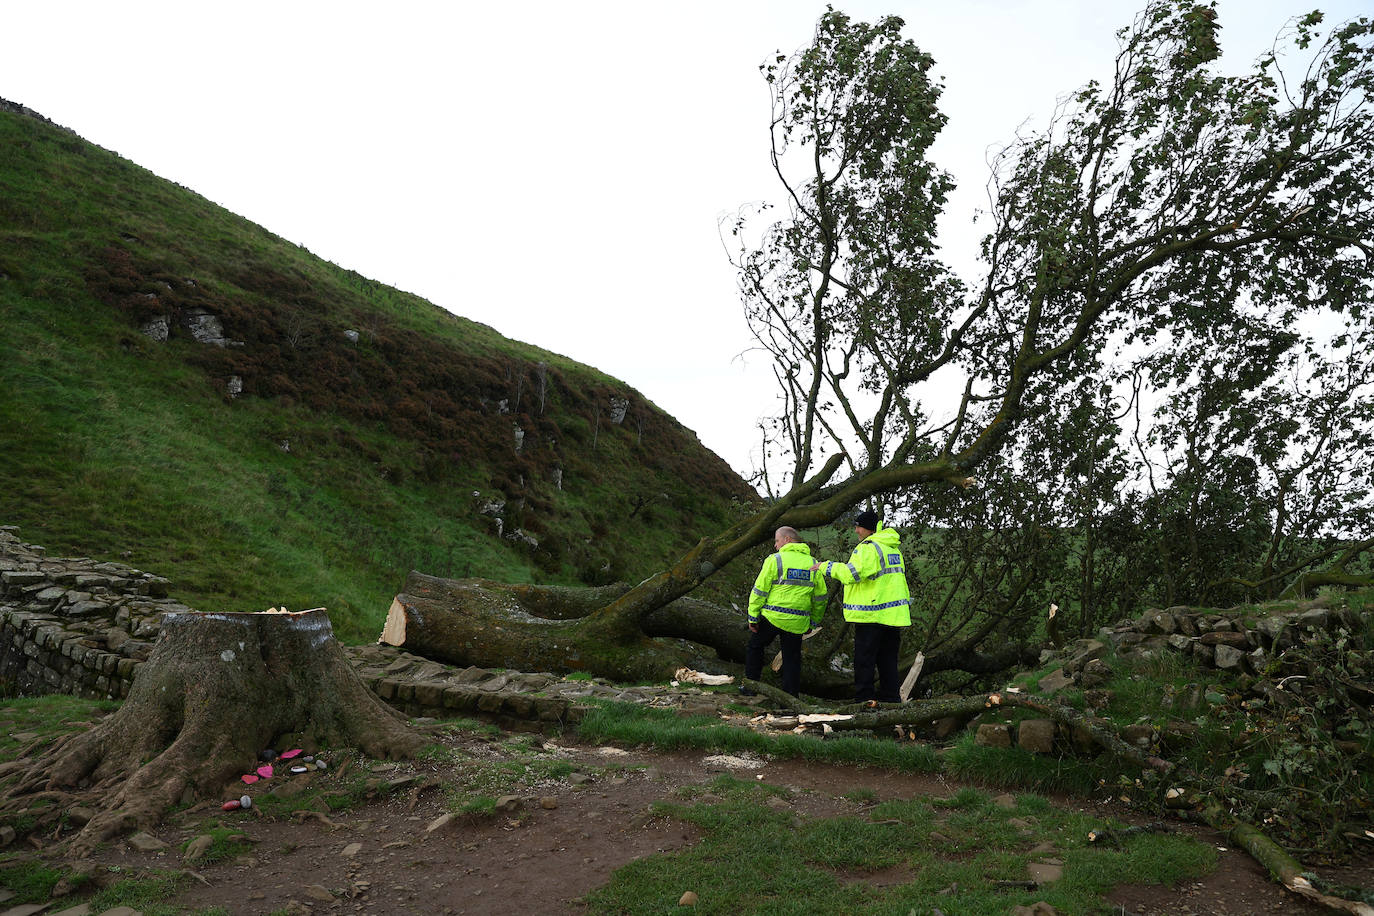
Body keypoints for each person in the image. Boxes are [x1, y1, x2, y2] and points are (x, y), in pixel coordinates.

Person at [813, 509, 911, 703]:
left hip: (871, 616)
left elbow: (851, 574)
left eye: (858, 526)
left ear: (868, 529)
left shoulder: (868, 548)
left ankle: (864, 702)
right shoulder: (892, 548)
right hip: (893, 616)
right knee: (888, 662)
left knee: (864, 661)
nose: (856, 530)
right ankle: (891, 702)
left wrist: (825, 566)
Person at [743, 526, 826, 697]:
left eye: (777, 540)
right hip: (797, 622)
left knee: (755, 646)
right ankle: (790, 696)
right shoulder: (813, 563)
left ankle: (751, 687)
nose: (775, 545)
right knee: (792, 658)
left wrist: (753, 616)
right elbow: (820, 598)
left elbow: (759, 590)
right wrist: (813, 622)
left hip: (772, 617)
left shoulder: (775, 560)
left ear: (787, 539)